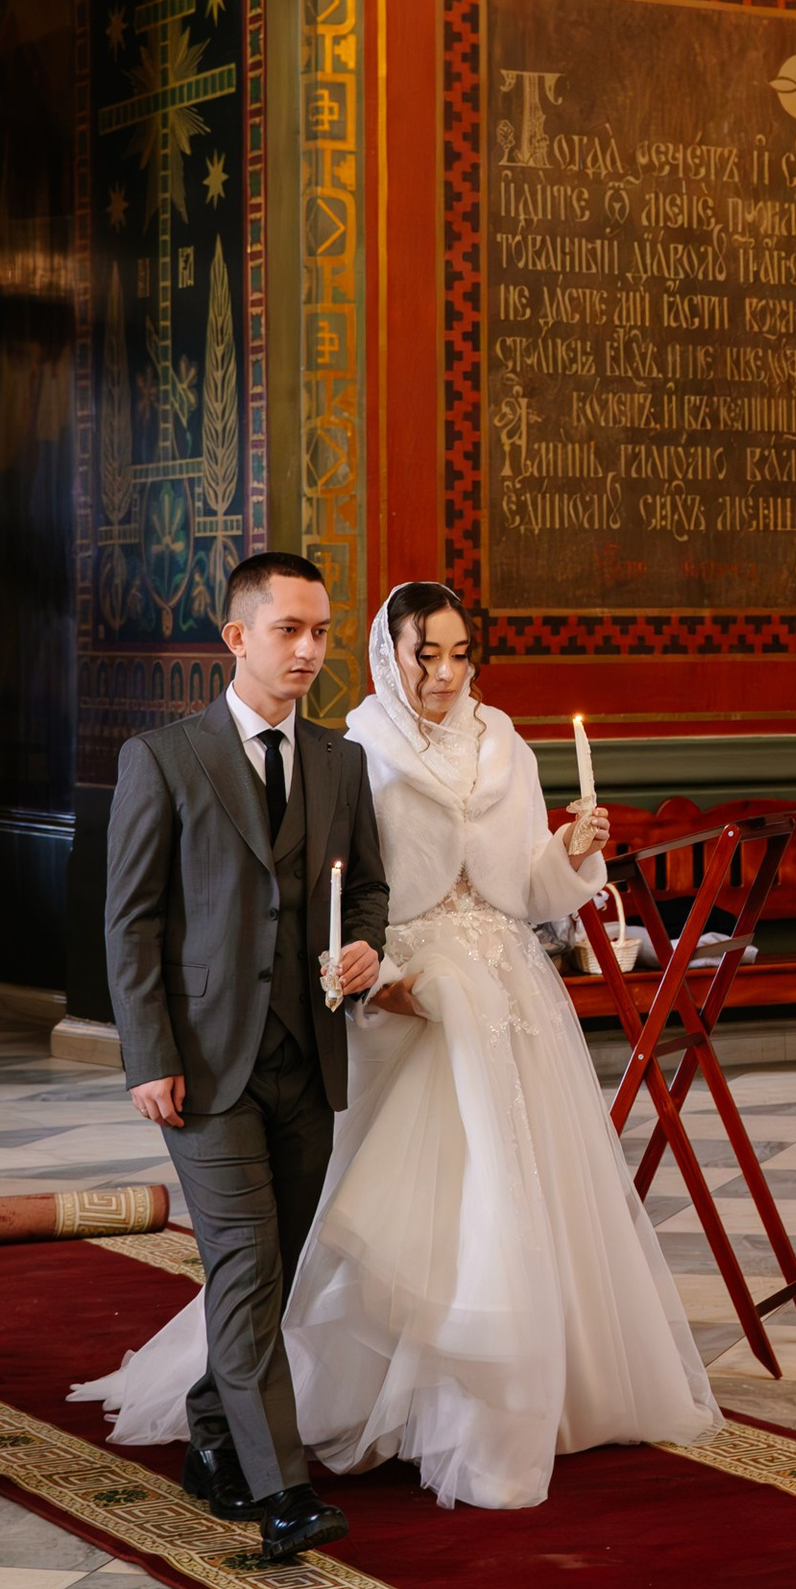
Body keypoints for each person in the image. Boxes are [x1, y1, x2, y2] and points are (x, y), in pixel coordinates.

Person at [81, 582, 716, 1508]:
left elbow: (526, 888)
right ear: (390, 654)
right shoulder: (357, 747)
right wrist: (377, 974)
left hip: (503, 991)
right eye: (428, 655)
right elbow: (336, 891)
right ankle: (309, 1430)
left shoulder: (502, 740)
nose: (446, 674)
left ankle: (508, 1399)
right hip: (401, 996)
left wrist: (574, 852)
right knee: (345, 1227)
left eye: (461, 654)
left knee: (515, 1196)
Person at [103, 553, 389, 1564]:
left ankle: (214, 1433)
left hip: (307, 1057)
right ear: (237, 638)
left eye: (321, 631)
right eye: (288, 630)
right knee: (246, 1260)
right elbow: (131, 921)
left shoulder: (341, 763)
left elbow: (366, 891)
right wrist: (148, 1054)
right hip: (203, 1063)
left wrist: (367, 946)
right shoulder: (164, 759)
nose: (310, 650)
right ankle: (283, 1492)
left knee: (271, 1271)